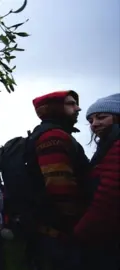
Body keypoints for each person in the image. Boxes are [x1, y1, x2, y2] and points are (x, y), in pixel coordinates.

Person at [30, 90, 90, 269]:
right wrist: (79, 226)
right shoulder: (53, 137)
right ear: (54, 109)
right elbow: (60, 188)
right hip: (60, 234)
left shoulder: (52, 134)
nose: (78, 108)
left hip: (54, 232)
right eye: (70, 104)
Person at [74, 93, 120, 269]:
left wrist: (82, 230)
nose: (94, 124)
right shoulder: (107, 146)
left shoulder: (116, 146)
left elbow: (108, 195)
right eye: (91, 120)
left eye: (101, 117)